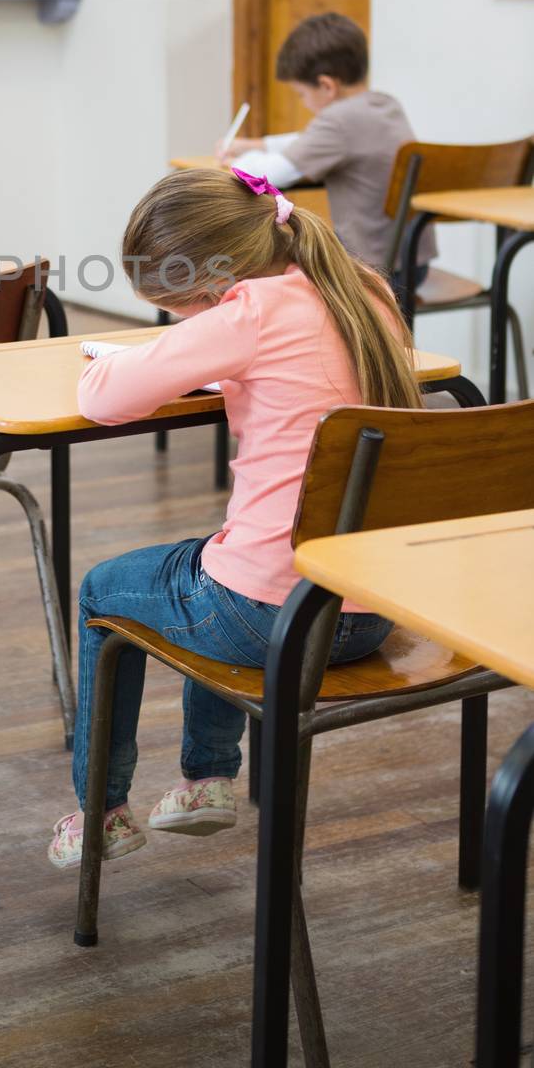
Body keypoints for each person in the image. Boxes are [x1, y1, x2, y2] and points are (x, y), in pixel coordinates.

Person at [47, 164, 419, 869]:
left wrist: (163, 352)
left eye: (179, 308)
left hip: (270, 619)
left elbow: (101, 396)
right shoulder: (365, 291)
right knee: (210, 563)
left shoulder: (247, 312)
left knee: (114, 587)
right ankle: (205, 779)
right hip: (370, 611)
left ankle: (102, 813)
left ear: (214, 288)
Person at [218, 12, 435, 281]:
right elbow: (312, 140)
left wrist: (235, 163)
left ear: (326, 85)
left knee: (265, 270)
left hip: (370, 270)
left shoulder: (339, 121)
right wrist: (259, 144)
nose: (304, 103)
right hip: (412, 262)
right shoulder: (384, 104)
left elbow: (267, 176)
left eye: (302, 94)